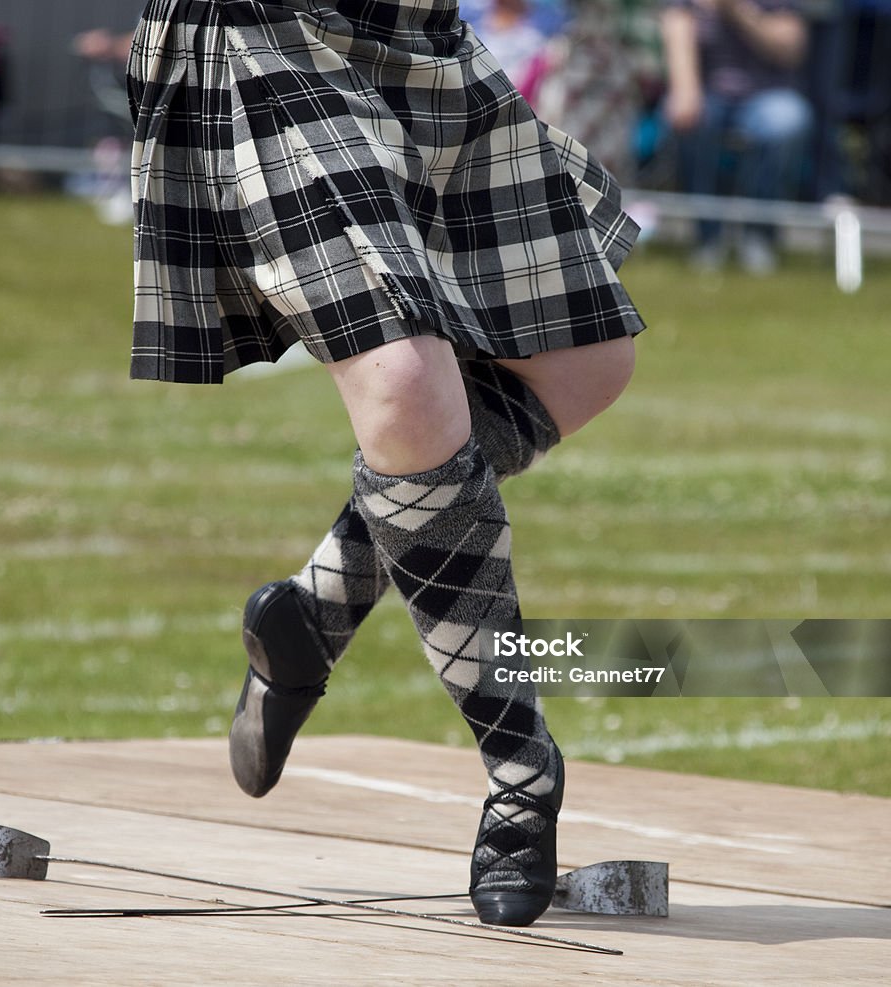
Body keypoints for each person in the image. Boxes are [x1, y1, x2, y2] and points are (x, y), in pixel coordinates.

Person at [126, 0, 645, 928]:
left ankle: (314, 618)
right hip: (270, 30)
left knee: (587, 356)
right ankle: (522, 769)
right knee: (405, 389)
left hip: (415, 34)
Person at [660, 0, 814, 272]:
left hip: (767, 95)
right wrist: (685, 88)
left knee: (787, 120)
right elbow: (676, 28)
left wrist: (741, 14)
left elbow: (791, 49)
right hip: (709, 95)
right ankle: (708, 237)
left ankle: (758, 235)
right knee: (687, 117)